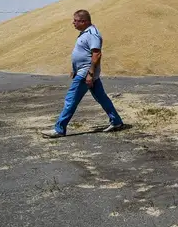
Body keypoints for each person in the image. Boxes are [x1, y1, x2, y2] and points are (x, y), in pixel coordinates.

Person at [41, 9, 124, 138]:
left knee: (71, 99)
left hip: (85, 73)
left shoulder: (92, 34)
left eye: (76, 20)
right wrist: (74, 69)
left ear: (84, 21)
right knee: (101, 98)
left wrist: (89, 74)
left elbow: (96, 54)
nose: (73, 23)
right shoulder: (84, 33)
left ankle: (59, 129)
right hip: (83, 72)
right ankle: (117, 121)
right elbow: (83, 54)